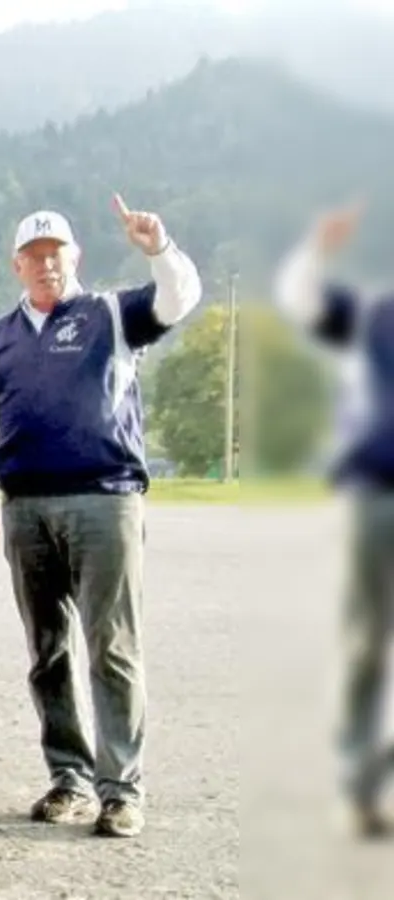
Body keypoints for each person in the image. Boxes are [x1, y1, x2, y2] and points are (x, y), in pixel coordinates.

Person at [0, 196, 203, 838]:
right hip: (25, 507)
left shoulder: (112, 314)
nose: (46, 265)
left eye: (56, 254)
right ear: (16, 264)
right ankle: (67, 778)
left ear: (75, 258)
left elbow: (180, 300)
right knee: (47, 652)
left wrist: (159, 248)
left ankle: (121, 789)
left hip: (105, 497)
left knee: (112, 647)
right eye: (34, 256)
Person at [273, 202, 394, 838]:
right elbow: (302, 299)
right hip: (376, 495)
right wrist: (318, 250)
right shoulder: (373, 313)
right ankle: (360, 787)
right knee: (370, 647)